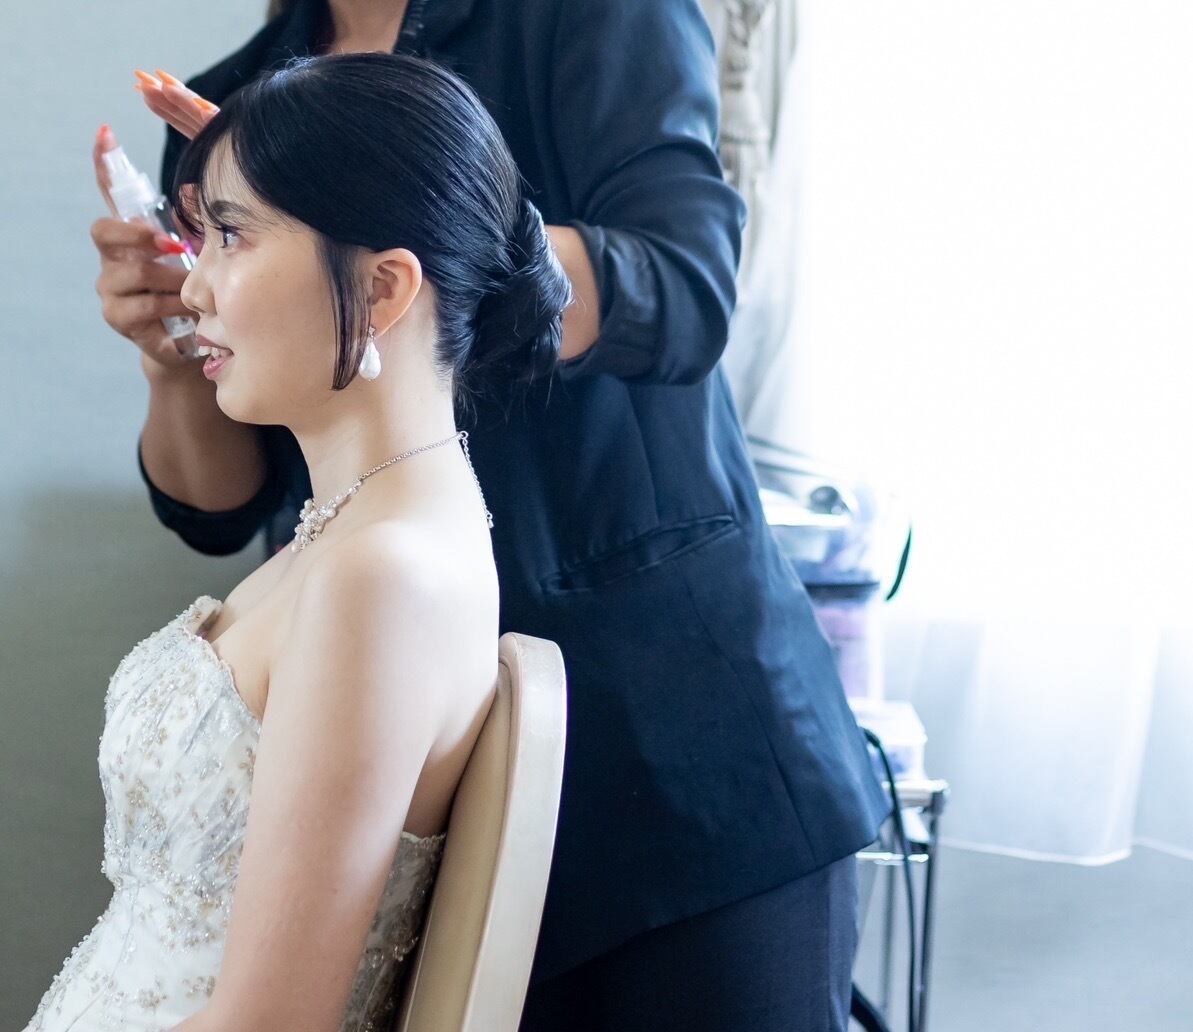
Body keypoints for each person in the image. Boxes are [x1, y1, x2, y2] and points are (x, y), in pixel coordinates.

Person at [91, 1, 891, 1027]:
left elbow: (685, 287)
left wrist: (378, 209)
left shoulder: (588, 18)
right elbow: (219, 506)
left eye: (233, 237)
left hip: (674, 759)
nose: (209, 272)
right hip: (387, 775)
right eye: (210, 236)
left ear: (389, 284)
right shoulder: (231, 105)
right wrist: (176, 347)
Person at [26, 52, 569, 1031]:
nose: (193, 287)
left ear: (384, 289)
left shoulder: (381, 574)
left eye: (231, 235)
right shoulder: (356, 529)